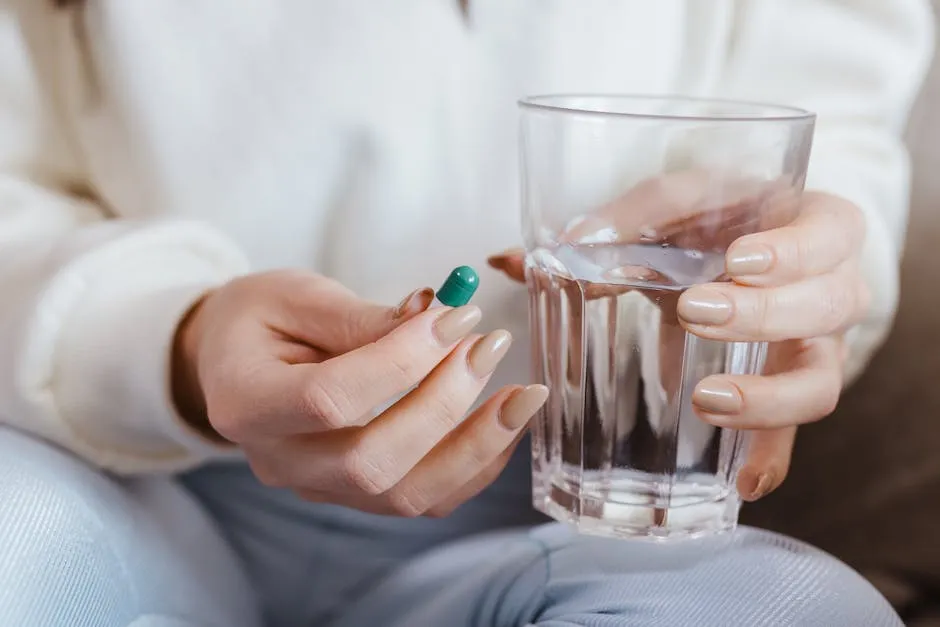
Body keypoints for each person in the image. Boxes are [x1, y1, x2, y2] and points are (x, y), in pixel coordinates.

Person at [0, 1, 932, 626]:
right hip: (131, 491)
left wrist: (780, 251)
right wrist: (174, 336)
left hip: (557, 527)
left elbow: (828, 105)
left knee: (797, 609)